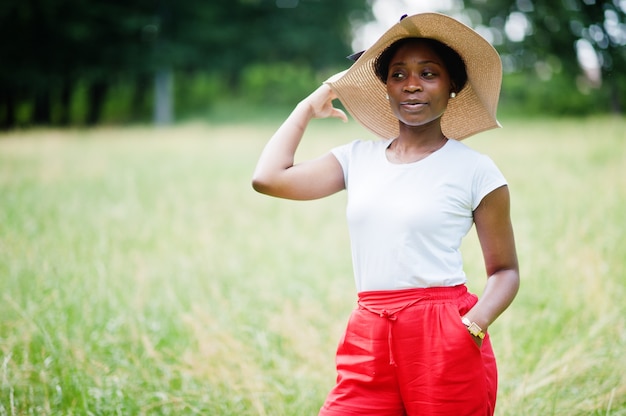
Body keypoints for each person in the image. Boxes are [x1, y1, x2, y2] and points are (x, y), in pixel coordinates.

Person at [252, 12, 520, 416]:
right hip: (369, 330)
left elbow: (505, 271)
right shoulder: (356, 158)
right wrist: (308, 104)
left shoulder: (476, 170)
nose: (411, 84)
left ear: (452, 87)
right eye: (398, 74)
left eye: (428, 73)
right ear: (387, 88)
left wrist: (472, 325)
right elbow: (268, 178)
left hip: (444, 331)